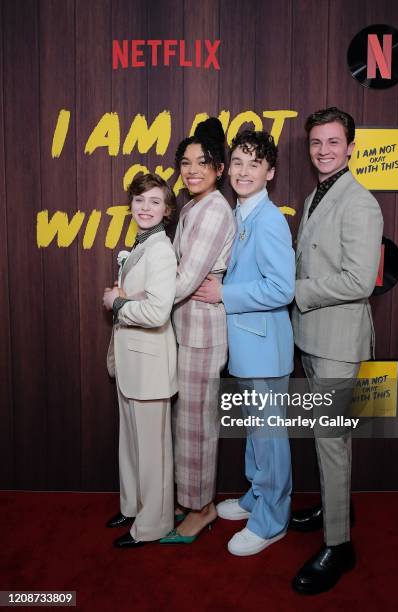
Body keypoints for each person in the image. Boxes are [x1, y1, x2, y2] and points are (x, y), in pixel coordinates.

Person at [291, 107, 383, 593]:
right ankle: (334, 506)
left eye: (332, 142)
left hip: (337, 343)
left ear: (350, 146)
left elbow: (357, 279)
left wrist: (297, 291)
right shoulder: (314, 195)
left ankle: (339, 545)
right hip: (311, 338)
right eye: (316, 143)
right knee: (327, 439)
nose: (323, 151)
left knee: (331, 441)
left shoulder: (360, 202)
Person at [192, 130, 295, 556]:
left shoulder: (268, 219)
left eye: (254, 164)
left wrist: (224, 295)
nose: (243, 171)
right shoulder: (239, 214)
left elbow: (282, 288)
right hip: (248, 348)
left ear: (270, 172)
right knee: (255, 432)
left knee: (269, 438)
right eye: (238, 162)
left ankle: (273, 519)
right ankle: (256, 497)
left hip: (265, 351)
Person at [159, 118, 236, 544]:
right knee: (185, 420)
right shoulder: (191, 206)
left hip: (203, 334)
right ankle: (189, 498)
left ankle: (203, 508)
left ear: (219, 169)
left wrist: (141, 301)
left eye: (202, 163)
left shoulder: (214, 210)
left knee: (197, 425)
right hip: (184, 328)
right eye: (185, 163)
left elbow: (184, 280)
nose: (191, 170)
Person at [103, 173, 178, 548]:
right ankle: (132, 507)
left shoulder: (162, 250)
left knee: (151, 453)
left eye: (153, 202)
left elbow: (158, 312)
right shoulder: (141, 244)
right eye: (139, 200)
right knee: (130, 444)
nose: (144, 208)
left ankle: (153, 525)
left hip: (149, 364)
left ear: (167, 210)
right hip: (132, 362)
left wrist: (116, 303)